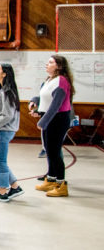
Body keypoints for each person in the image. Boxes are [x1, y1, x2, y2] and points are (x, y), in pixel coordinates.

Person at [32, 55, 74, 197]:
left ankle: (61, 184)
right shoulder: (50, 80)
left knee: (55, 152)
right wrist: (34, 102)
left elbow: (55, 105)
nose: (47, 64)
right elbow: (43, 97)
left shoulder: (61, 81)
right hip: (49, 118)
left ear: (58, 66)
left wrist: (43, 121)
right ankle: (51, 179)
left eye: (50, 62)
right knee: (49, 151)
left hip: (57, 119)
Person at [0, 63, 23, 202]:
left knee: (0, 161)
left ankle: (3, 192)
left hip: (3, 131)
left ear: (4, 74)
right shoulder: (3, 91)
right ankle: (14, 186)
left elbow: (7, 115)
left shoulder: (7, 92)